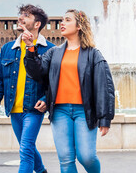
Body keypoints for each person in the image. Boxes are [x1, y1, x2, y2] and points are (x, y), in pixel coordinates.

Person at [22, 9, 115, 173]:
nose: (62, 23)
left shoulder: (93, 54)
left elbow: (104, 86)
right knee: (65, 160)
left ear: (79, 26)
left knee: (86, 156)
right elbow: (36, 72)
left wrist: (105, 118)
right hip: (60, 111)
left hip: (84, 112)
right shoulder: (54, 53)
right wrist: (30, 47)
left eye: (67, 20)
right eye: (61, 20)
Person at [0, 4, 54, 173]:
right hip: (14, 109)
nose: (20, 18)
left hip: (34, 108)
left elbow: (55, 82)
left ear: (37, 24)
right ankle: (41, 171)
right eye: (20, 14)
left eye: (26, 15)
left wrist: (46, 99)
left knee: (25, 150)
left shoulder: (50, 50)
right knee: (28, 147)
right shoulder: (7, 49)